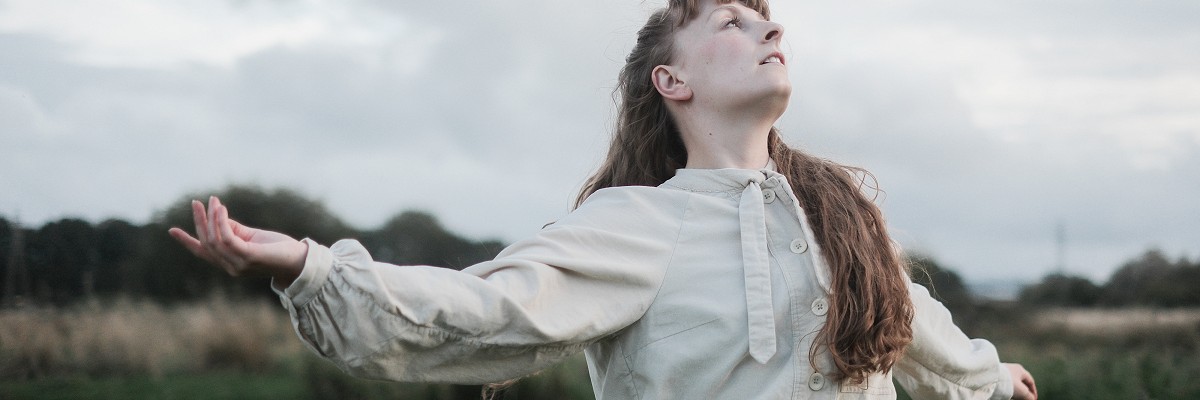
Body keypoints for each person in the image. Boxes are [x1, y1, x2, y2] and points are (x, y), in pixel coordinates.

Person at [169, 0, 1038, 398]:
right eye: (732, 21)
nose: (772, 29)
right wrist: (312, 269)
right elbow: (485, 312)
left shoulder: (842, 218)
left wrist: (994, 379)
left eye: (769, 17)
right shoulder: (637, 224)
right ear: (673, 79)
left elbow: (916, 327)